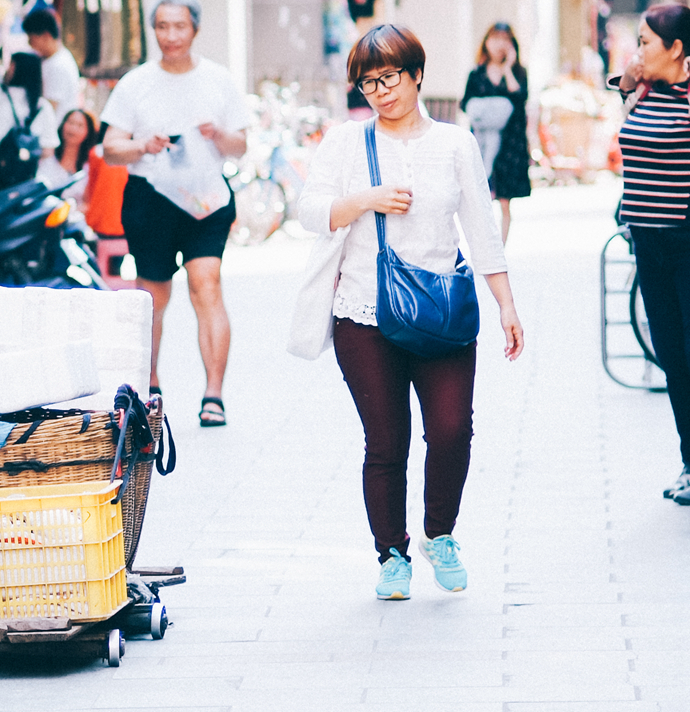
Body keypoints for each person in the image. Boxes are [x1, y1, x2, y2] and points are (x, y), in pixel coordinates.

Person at [290, 24, 524, 600]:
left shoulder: (454, 143)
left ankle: (438, 533)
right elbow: (308, 211)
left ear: (417, 74)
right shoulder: (347, 144)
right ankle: (391, 554)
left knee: (450, 432)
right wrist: (364, 199)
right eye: (368, 83)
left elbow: (479, 226)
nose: (381, 91)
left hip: (440, 307)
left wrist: (506, 304)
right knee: (386, 441)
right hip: (364, 313)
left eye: (390, 77)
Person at [98, 0, 246, 427]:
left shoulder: (218, 79)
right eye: (162, 26)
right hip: (151, 200)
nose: (170, 35)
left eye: (179, 26)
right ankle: (151, 384)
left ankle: (213, 393)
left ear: (194, 29)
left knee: (207, 285)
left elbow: (240, 145)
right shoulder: (135, 83)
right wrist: (142, 145)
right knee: (154, 295)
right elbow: (110, 148)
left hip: (206, 201)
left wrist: (218, 134)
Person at [611, 4, 690, 504]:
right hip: (647, 240)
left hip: (685, 239)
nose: (637, 51)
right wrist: (628, 81)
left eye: (645, 42)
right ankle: (689, 462)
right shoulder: (643, 91)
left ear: (676, 49)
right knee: (671, 357)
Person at [460, 22, 530, 244]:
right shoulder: (476, 73)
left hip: (510, 145)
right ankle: (484, 244)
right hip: (482, 143)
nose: (500, 44)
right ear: (486, 42)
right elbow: (465, 103)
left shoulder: (518, 72)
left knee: (505, 201)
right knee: (481, 197)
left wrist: (508, 69)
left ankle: (500, 248)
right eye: (495, 38)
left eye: (505, 39)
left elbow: (520, 100)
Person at [0, 52, 61, 165]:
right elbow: (48, 150)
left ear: (14, 68)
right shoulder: (43, 107)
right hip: (27, 176)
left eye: (11, 64)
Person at [23, 7, 83, 115]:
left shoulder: (59, 65)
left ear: (46, 36)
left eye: (31, 38)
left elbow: (49, 109)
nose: (30, 43)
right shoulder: (53, 59)